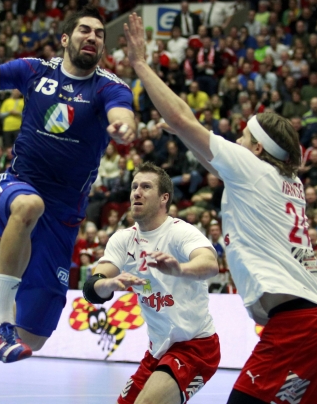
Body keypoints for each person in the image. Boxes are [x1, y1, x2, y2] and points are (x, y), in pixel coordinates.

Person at [123, 13, 317, 404]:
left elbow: (182, 118)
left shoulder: (252, 168)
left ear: (257, 148)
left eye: (242, 136)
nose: (235, 141)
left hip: (298, 322)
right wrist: (186, 134)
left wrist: (140, 63)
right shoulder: (285, 181)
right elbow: (199, 144)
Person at [0, 6, 136, 363]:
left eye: (98, 33)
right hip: (16, 186)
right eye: (84, 30)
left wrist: (124, 125)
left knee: (34, 337)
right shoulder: (35, 70)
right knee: (30, 205)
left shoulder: (109, 88)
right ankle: (2, 326)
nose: (92, 36)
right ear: (65, 39)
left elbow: (122, 111)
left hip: (63, 217)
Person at [86, 163, 220, 404]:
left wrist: (180, 269)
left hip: (196, 346)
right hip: (157, 351)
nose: (137, 192)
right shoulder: (123, 239)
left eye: (146, 187)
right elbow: (93, 286)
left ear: (163, 198)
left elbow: (210, 263)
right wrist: (108, 285)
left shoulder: (181, 232)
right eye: (134, 186)